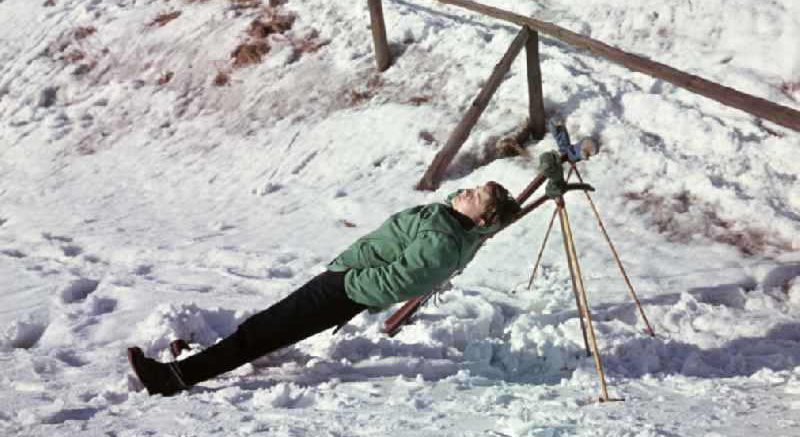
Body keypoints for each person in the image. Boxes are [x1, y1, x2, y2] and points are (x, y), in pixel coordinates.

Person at [127, 181, 520, 397]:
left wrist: (349, 283)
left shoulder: (444, 242)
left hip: (346, 287)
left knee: (262, 331)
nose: (466, 191)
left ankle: (172, 379)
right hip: (345, 280)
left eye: (476, 196)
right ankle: (190, 366)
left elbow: (401, 280)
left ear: (482, 217)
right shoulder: (452, 224)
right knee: (265, 329)